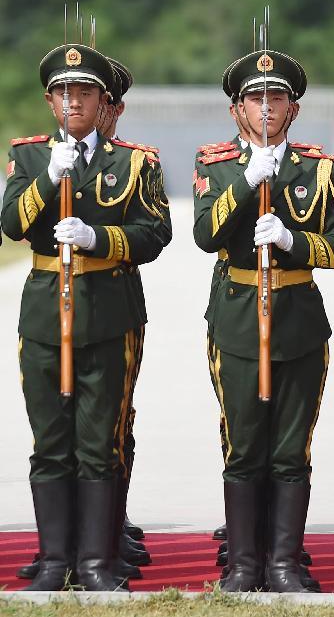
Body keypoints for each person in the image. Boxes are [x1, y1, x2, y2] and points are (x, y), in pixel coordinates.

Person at [1, 42, 172, 591]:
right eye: (63, 92)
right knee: (51, 439)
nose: (74, 100)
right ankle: (55, 560)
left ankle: (97, 561)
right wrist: (49, 178)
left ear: (103, 102)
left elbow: (155, 233)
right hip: (47, 310)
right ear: (51, 102)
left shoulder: (135, 161)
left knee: (101, 439)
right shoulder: (28, 156)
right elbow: (11, 223)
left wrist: (99, 237)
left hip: (109, 308)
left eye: (85, 92)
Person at [193, 48, 334, 592]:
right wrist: (246, 182)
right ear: (236, 110)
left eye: (277, 97)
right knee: (243, 443)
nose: (267, 107)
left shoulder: (318, 167)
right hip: (238, 314)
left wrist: (292, 242)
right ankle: (243, 563)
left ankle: (284, 560)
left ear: (294, 108)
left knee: (290, 447)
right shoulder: (215, 165)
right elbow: (205, 236)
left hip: (298, 317)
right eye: (255, 98)